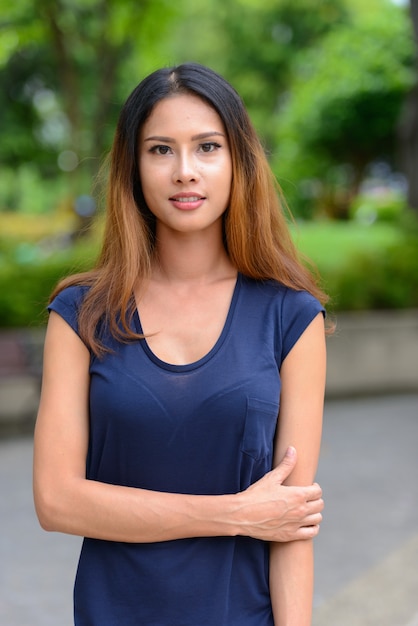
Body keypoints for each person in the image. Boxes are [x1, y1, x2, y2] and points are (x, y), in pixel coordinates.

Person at [33, 62, 328, 626]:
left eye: (208, 147)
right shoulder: (80, 314)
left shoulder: (290, 316)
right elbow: (56, 501)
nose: (185, 171)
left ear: (239, 161)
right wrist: (237, 514)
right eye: (161, 150)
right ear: (134, 167)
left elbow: (290, 523)